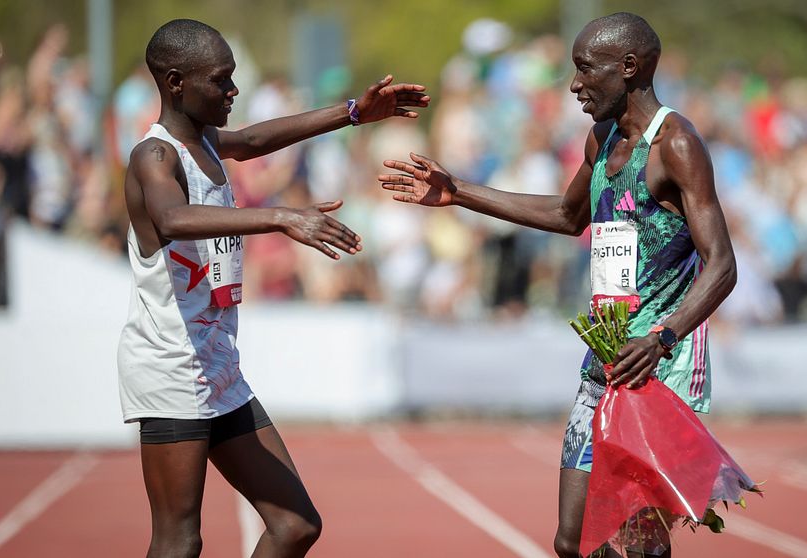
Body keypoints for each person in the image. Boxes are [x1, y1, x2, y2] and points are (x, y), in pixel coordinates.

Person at [379, 12, 735, 558]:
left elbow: (722, 265)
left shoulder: (677, 146)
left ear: (630, 67)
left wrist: (663, 335)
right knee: (571, 542)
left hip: (660, 366)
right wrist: (459, 193)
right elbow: (569, 217)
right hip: (606, 355)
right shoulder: (601, 140)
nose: (573, 85)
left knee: (641, 543)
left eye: (585, 70)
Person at [117, 19, 428, 558]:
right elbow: (170, 219)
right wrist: (280, 217)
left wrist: (355, 112)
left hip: (216, 365)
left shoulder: (208, 143)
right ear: (174, 83)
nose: (233, 91)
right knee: (179, 540)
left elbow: (259, 139)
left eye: (232, 78)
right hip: (169, 365)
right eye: (220, 81)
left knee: (295, 524)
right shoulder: (155, 156)